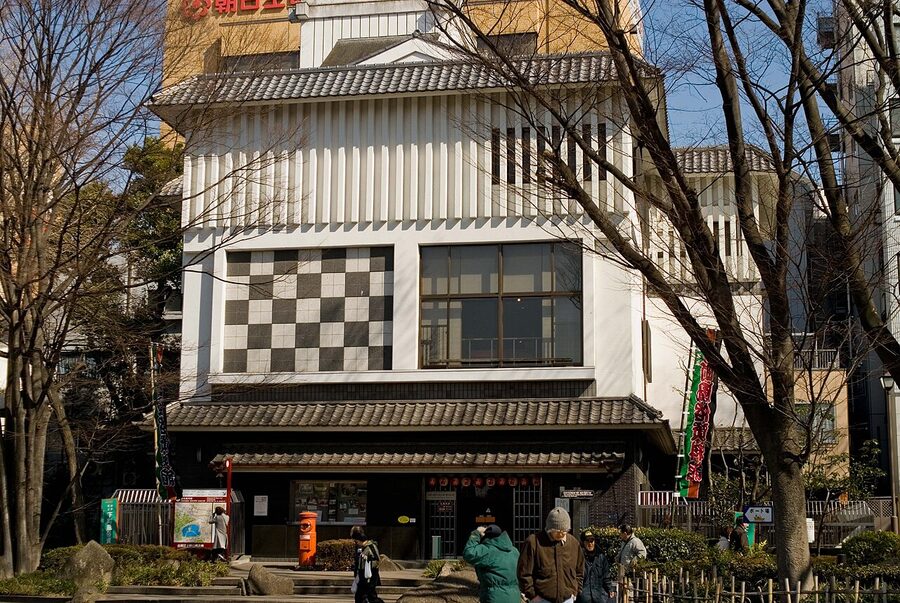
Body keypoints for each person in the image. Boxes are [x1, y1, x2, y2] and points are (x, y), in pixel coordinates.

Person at [518, 507, 584, 603]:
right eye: (558, 531)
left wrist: (576, 591)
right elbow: (524, 573)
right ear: (549, 529)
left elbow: (580, 570)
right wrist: (532, 595)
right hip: (541, 599)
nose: (561, 534)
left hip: (568, 599)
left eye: (564, 531)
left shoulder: (573, 543)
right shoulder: (533, 542)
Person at [463, 524, 520, 603]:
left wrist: (476, 533)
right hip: (514, 597)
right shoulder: (514, 551)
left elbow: (468, 553)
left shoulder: (487, 550)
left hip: (494, 597)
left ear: (486, 537)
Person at [575, 529, 613, 603]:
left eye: (592, 541)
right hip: (583, 597)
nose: (590, 544)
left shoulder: (601, 557)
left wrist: (609, 589)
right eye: (587, 541)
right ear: (583, 543)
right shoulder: (578, 557)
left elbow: (606, 576)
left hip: (599, 597)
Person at [350, 525, 383, 603]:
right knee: (360, 596)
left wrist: (368, 561)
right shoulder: (362, 548)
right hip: (362, 577)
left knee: (371, 597)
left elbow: (377, 560)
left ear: (360, 540)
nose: (356, 543)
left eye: (356, 541)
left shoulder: (371, 547)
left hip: (370, 576)